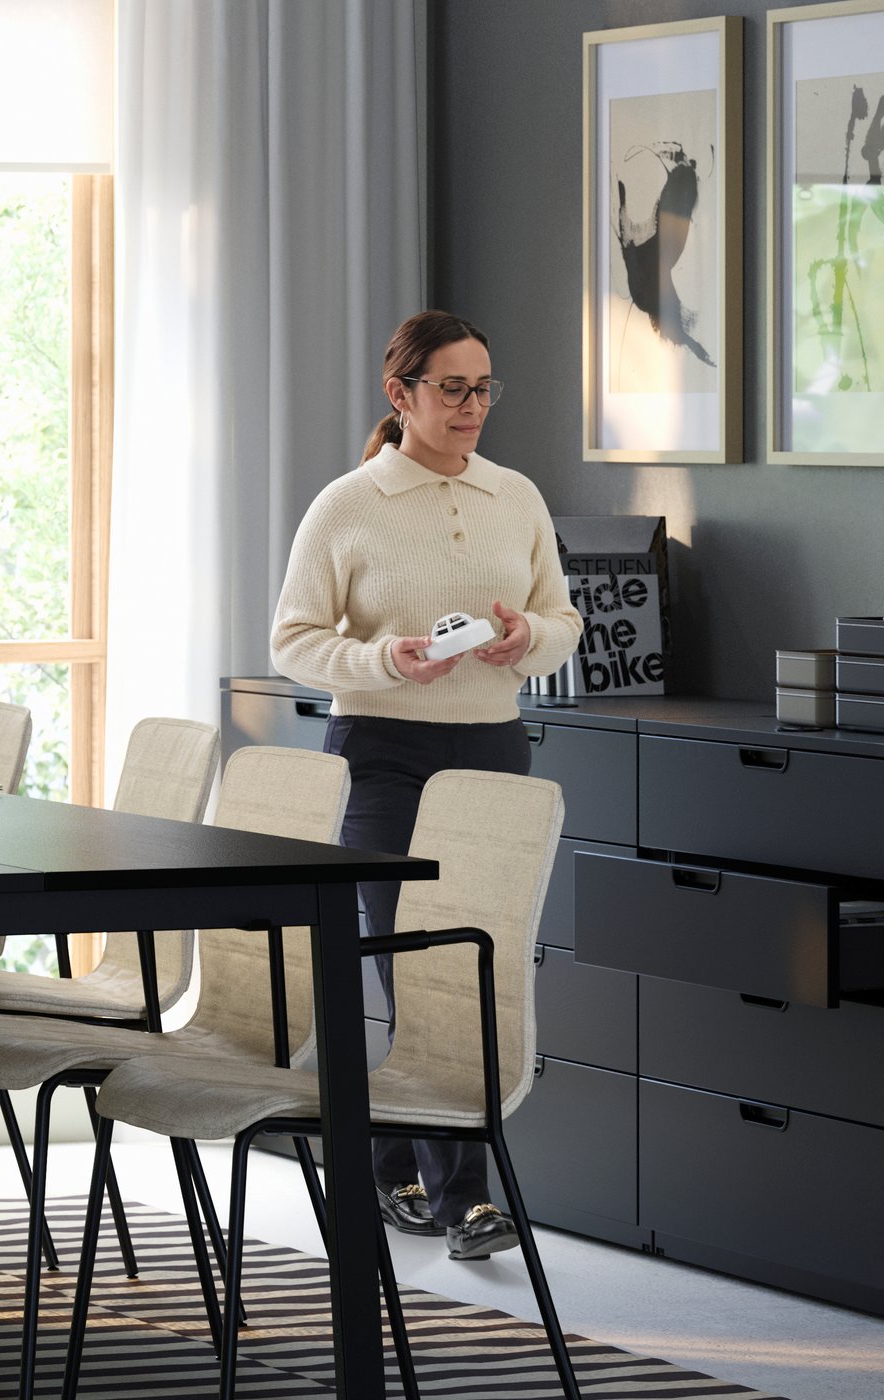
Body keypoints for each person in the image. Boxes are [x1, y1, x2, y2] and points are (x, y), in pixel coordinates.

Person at [270, 309, 582, 1260]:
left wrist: (529, 639)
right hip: (384, 757)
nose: (472, 405)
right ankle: (467, 1200)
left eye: (484, 387)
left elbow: (562, 619)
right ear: (400, 395)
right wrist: (386, 660)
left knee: (475, 971)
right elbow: (292, 641)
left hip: (494, 753)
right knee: (415, 970)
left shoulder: (516, 497)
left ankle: (394, 1169)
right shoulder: (347, 505)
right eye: (453, 387)